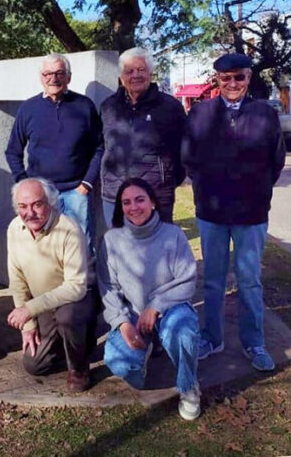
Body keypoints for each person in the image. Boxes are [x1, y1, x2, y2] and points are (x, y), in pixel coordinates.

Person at [182, 53, 286, 372]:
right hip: (211, 213)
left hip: (251, 214)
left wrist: (257, 189)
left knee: (249, 281)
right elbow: (189, 158)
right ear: (217, 79)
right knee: (213, 281)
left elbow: (277, 160)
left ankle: (253, 342)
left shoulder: (265, 113)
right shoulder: (200, 113)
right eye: (225, 78)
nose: (232, 83)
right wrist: (206, 189)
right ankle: (212, 338)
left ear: (248, 77)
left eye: (238, 77)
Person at [97, 178, 201, 420]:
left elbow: (187, 279)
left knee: (184, 333)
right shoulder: (111, 240)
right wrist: (122, 323)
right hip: (132, 314)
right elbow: (108, 287)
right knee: (120, 362)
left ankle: (189, 386)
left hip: (171, 310)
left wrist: (155, 306)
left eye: (140, 199)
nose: (133, 207)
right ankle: (145, 351)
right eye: (126, 202)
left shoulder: (173, 235)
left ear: (153, 202)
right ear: (120, 207)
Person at [6, 177, 98, 392]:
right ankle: (69, 343)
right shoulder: (14, 228)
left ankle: (79, 367)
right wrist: (28, 327)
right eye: (23, 206)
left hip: (76, 299)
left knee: (68, 317)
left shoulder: (68, 229)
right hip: (45, 304)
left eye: (37, 204)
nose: (30, 213)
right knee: (35, 365)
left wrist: (29, 309)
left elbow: (76, 287)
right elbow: (17, 279)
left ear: (50, 203)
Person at [5, 53, 103, 253]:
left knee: (81, 248)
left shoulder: (84, 106)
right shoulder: (28, 109)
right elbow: (13, 152)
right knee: (42, 249)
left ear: (69, 77)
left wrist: (86, 184)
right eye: (47, 74)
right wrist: (26, 185)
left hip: (76, 193)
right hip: (41, 197)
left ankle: (83, 277)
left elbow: (99, 148)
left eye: (59, 73)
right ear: (41, 78)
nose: (53, 78)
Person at [100, 47, 186, 226]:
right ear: (121, 76)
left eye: (141, 69)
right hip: (115, 195)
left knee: (159, 243)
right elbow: (101, 146)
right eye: (129, 71)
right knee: (118, 242)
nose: (136, 75)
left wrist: (167, 181)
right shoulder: (108, 106)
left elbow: (184, 150)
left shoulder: (170, 107)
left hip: (157, 195)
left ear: (150, 73)